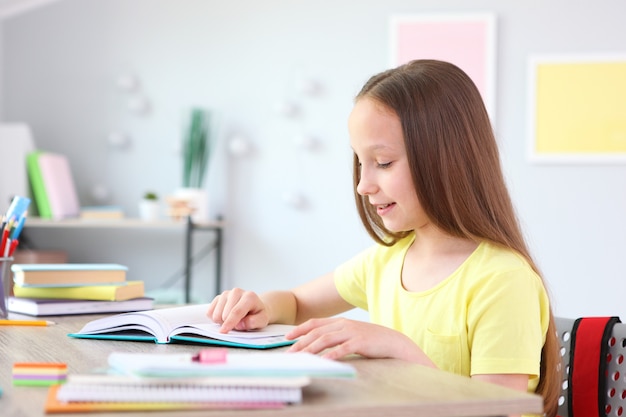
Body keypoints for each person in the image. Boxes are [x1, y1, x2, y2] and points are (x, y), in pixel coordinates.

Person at [207, 59, 561, 417]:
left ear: (446, 159)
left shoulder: (503, 281)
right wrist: (261, 307)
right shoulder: (386, 262)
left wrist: (399, 349)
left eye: (384, 162)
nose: (363, 185)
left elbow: (494, 413)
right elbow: (297, 304)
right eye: (361, 162)